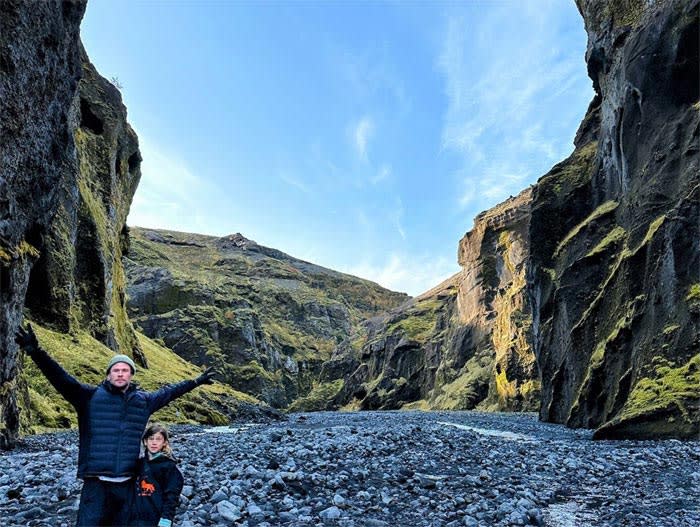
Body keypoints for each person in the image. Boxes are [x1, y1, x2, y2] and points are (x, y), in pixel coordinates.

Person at [14, 323, 216, 526]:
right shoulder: (88, 397)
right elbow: (61, 378)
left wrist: (195, 382)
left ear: (131, 375)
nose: (120, 374)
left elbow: (170, 392)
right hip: (96, 483)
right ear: (108, 374)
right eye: (116, 370)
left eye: (125, 370)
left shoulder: (143, 401)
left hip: (127, 484)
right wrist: (36, 352)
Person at [130, 423, 184, 527]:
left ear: (164, 443)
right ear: (145, 442)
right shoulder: (138, 464)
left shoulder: (169, 467)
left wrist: (166, 518)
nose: (154, 442)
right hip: (134, 518)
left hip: (155, 518)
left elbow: (172, 496)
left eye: (158, 439)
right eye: (151, 439)